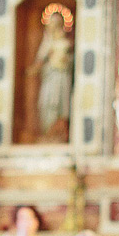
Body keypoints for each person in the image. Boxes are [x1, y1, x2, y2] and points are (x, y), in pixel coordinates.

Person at [30, 11, 73, 141]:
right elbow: (40, 61)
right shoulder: (47, 43)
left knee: (60, 105)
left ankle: (59, 135)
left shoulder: (67, 43)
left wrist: (66, 60)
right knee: (47, 104)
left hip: (61, 78)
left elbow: (72, 62)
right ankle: (47, 134)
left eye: (55, 24)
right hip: (49, 77)